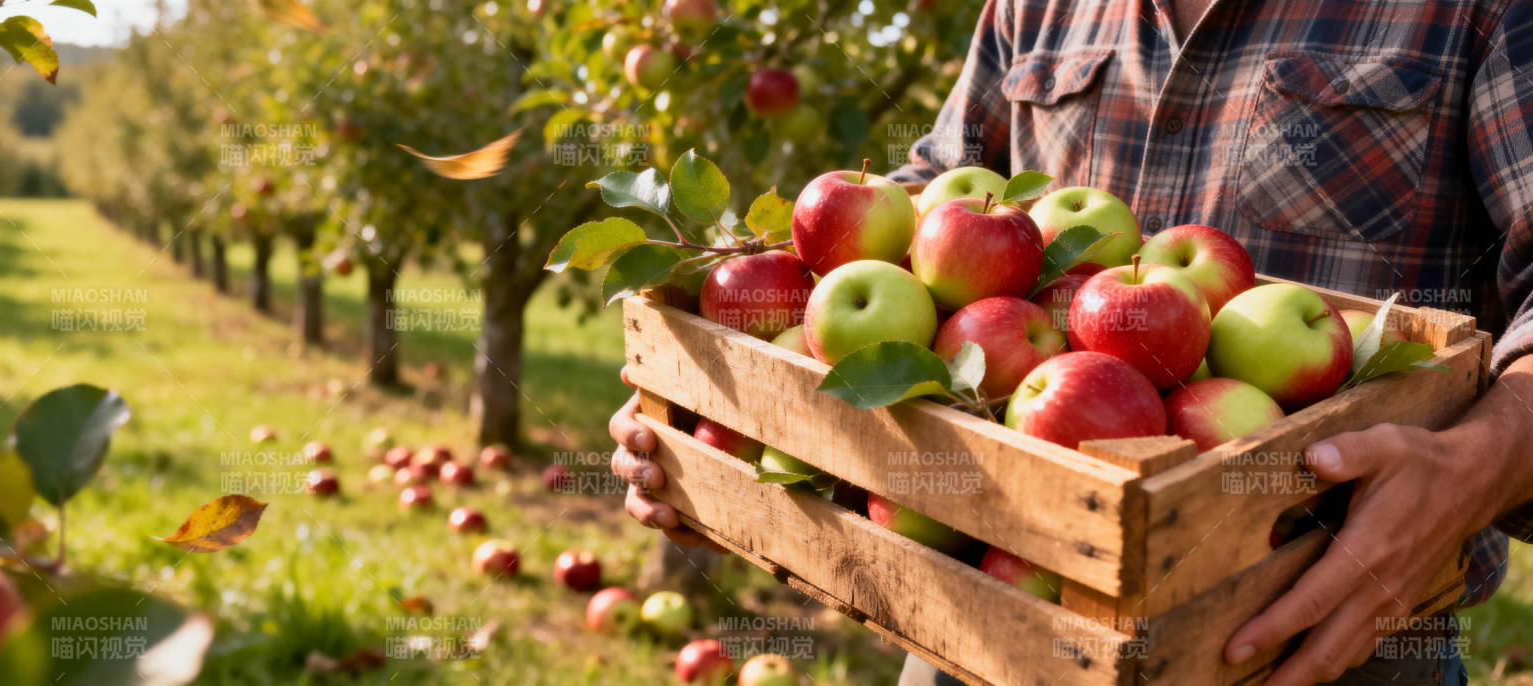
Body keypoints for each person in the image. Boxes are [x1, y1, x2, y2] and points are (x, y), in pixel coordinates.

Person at [611, 0, 1533, 683]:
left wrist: (1477, 464)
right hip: (987, 612)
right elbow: (926, 196)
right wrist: (708, 380)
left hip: (1318, 638)